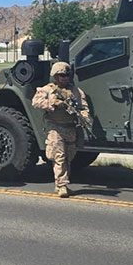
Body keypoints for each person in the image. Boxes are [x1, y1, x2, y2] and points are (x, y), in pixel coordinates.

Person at [31, 61, 91, 198]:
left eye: (67, 75)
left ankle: (60, 185)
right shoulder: (48, 89)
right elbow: (36, 102)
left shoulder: (75, 91)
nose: (65, 78)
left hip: (70, 128)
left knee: (69, 157)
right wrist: (53, 103)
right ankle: (62, 185)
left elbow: (83, 107)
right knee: (59, 157)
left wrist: (84, 117)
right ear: (55, 76)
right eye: (62, 75)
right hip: (55, 128)